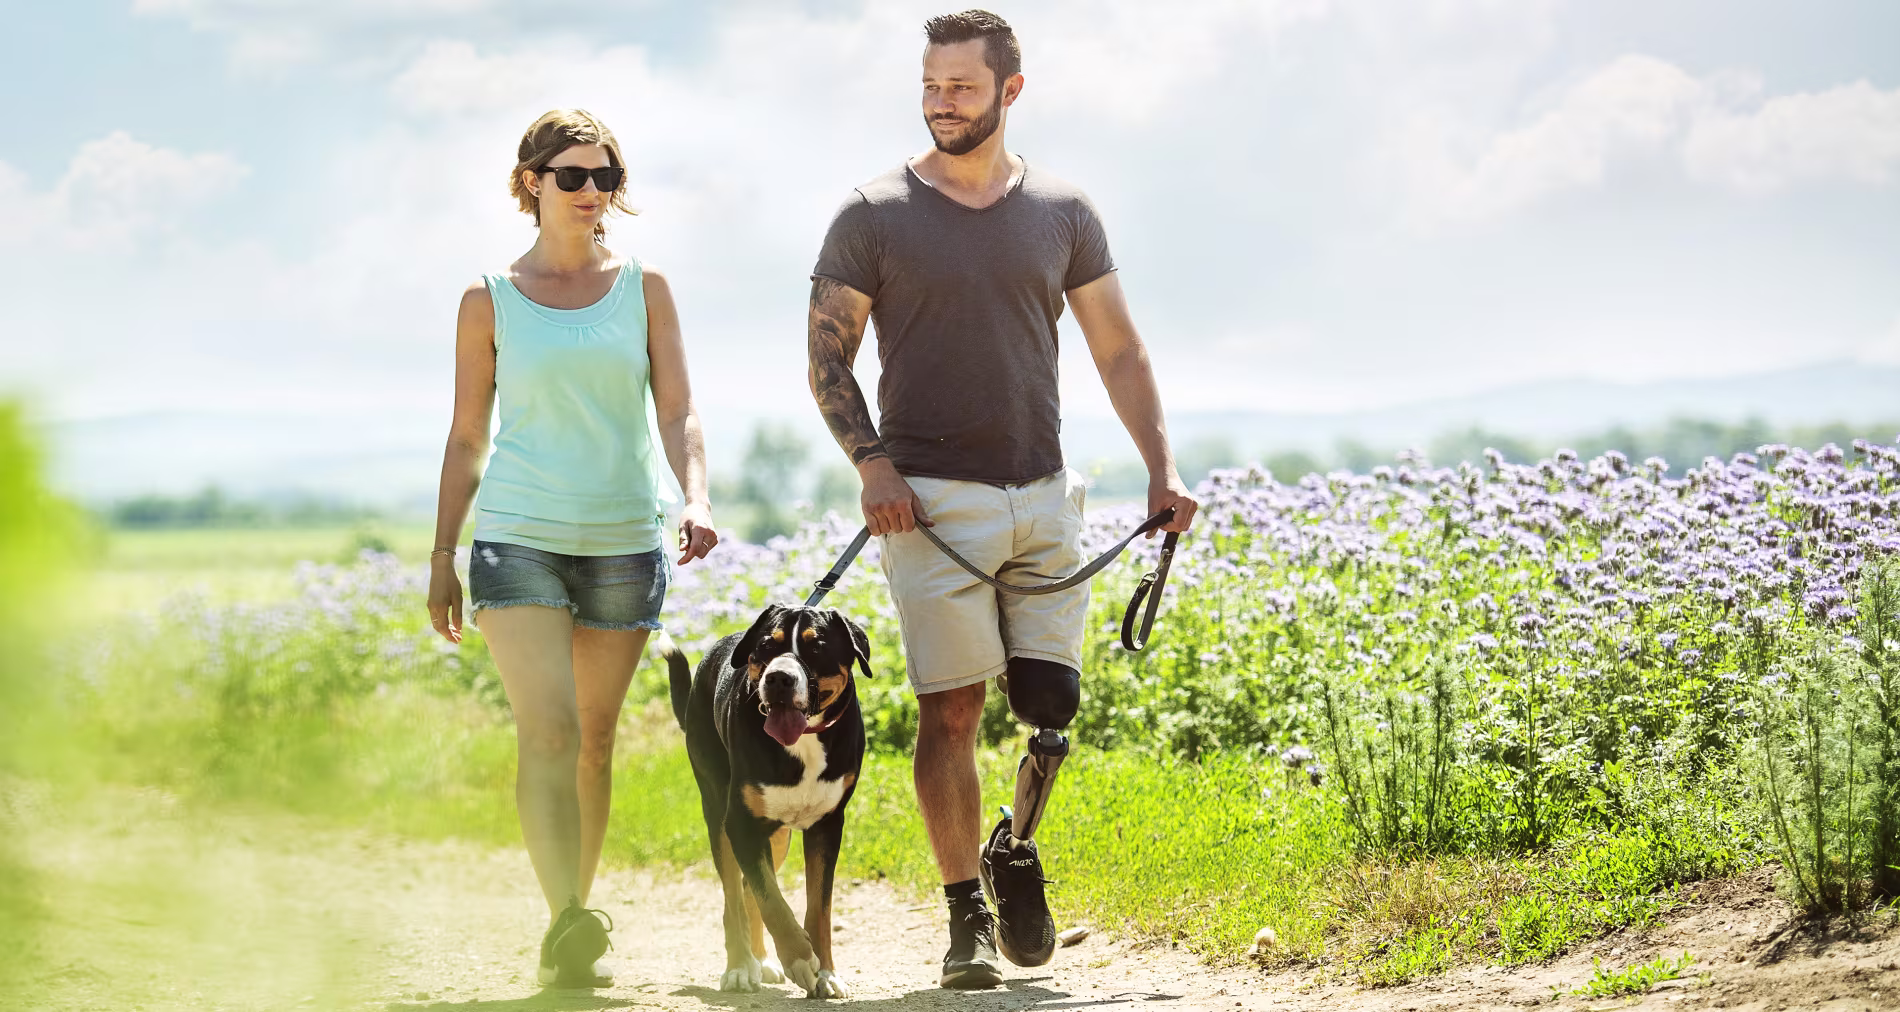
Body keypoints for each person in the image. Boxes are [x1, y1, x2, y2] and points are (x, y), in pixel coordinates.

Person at [806, 10, 1198, 990]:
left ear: (1010, 91)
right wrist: (873, 467)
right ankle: (964, 918)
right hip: (929, 506)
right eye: (930, 85)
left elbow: (1118, 348)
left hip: (1045, 493)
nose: (941, 102)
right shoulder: (872, 213)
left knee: (1050, 711)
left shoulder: (1063, 210)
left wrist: (1161, 469)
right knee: (950, 713)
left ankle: (1011, 850)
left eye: (962, 87)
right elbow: (827, 359)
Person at [426, 108, 719, 989]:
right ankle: (566, 916)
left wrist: (696, 496)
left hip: (625, 542)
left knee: (594, 740)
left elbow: (678, 408)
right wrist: (442, 554)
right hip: (518, 537)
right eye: (573, 175)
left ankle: (571, 924)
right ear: (533, 182)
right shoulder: (488, 299)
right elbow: (467, 436)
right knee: (548, 731)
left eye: (606, 177)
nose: (592, 191)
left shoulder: (645, 288)